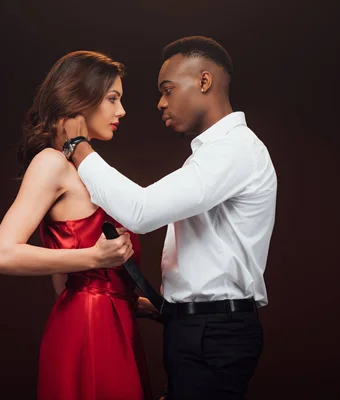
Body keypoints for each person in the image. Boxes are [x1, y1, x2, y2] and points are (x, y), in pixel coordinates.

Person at [64, 36, 278, 399]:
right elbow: (213, 257)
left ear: (204, 82)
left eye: (167, 89)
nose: (160, 103)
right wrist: (170, 309)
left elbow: (141, 212)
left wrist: (77, 147)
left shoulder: (233, 151)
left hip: (213, 332)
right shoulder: (216, 153)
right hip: (200, 326)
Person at [0, 51, 154, 400]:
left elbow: (66, 281)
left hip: (111, 323)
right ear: (80, 98)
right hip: (89, 328)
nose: (121, 111)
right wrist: (94, 258)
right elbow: (0, 256)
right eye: (112, 99)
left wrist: (136, 302)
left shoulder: (86, 169)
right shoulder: (51, 163)